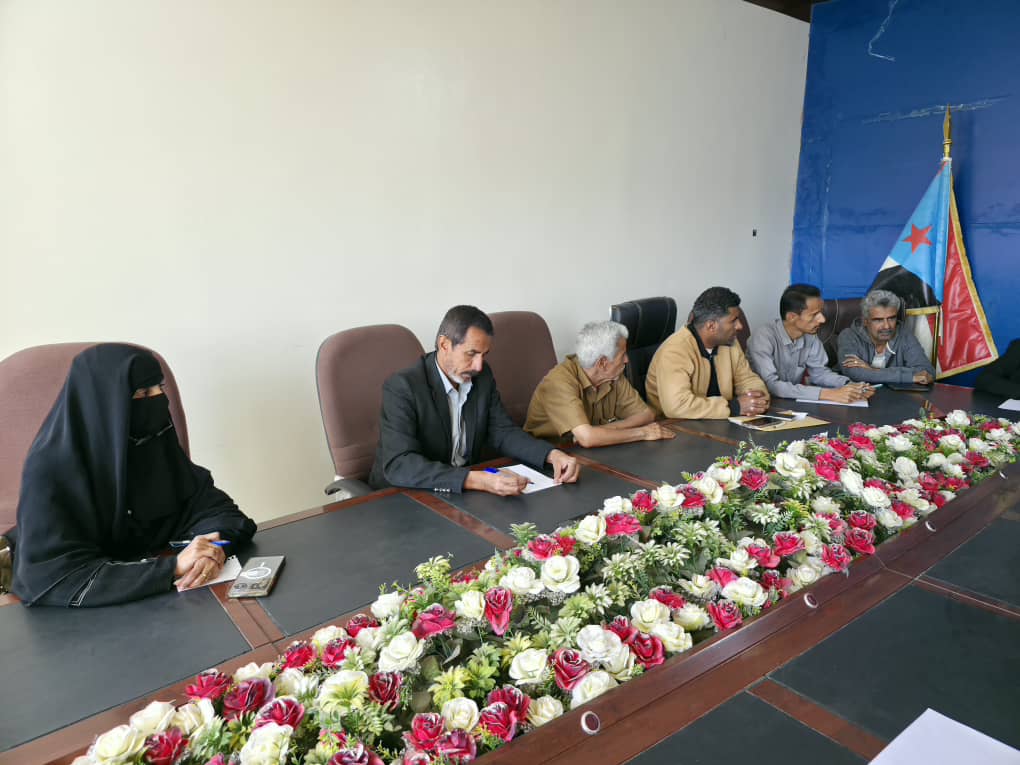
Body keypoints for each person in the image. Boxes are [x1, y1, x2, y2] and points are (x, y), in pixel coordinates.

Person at [7, 344, 256, 607]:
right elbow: (54, 579)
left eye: (159, 388)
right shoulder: (49, 471)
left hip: (159, 600)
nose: (159, 399)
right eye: (143, 392)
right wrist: (171, 567)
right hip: (75, 618)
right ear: (105, 404)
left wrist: (209, 547)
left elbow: (218, 511)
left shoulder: (150, 444)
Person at [369, 305, 580, 495]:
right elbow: (400, 464)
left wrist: (551, 454)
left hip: (460, 491)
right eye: (471, 354)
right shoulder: (403, 387)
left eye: (484, 355)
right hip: (405, 494)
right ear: (444, 344)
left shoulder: (482, 376)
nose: (478, 366)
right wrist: (475, 480)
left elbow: (503, 432)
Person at [524, 320, 675, 447]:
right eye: (622, 355)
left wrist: (605, 430)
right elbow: (588, 439)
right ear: (602, 363)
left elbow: (646, 415)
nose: (627, 360)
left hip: (592, 451)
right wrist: (642, 433)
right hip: (551, 455)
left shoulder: (612, 374)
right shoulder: (559, 383)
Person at [645, 287, 770, 419]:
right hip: (676, 425)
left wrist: (755, 400)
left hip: (718, 422)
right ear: (711, 326)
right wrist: (734, 407)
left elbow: (747, 379)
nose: (740, 326)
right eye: (733, 320)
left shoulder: (729, 342)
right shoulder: (674, 351)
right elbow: (677, 406)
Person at [748, 284, 874, 403]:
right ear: (792, 317)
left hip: (793, 402)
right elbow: (771, 385)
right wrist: (829, 394)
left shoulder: (810, 335)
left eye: (821, 312)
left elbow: (819, 373)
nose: (822, 319)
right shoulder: (763, 337)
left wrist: (850, 385)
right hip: (764, 404)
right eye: (814, 315)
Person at [837, 289, 935, 385]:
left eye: (891, 318)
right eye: (878, 320)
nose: (887, 326)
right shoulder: (848, 336)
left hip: (896, 395)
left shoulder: (904, 335)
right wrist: (909, 377)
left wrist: (873, 370)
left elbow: (927, 372)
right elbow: (855, 373)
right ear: (865, 321)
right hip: (858, 394)